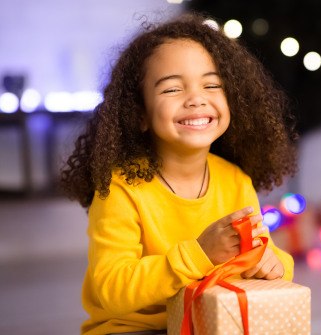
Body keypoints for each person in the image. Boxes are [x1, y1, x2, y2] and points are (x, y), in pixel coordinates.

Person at [61, 13, 298, 335]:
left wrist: (276, 264)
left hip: (207, 322)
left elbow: (261, 254)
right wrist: (199, 254)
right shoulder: (120, 189)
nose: (196, 98)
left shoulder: (235, 181)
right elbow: (112, 290)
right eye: (172, 89)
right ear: (139, 113)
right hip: (133, 328)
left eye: (212, 84)